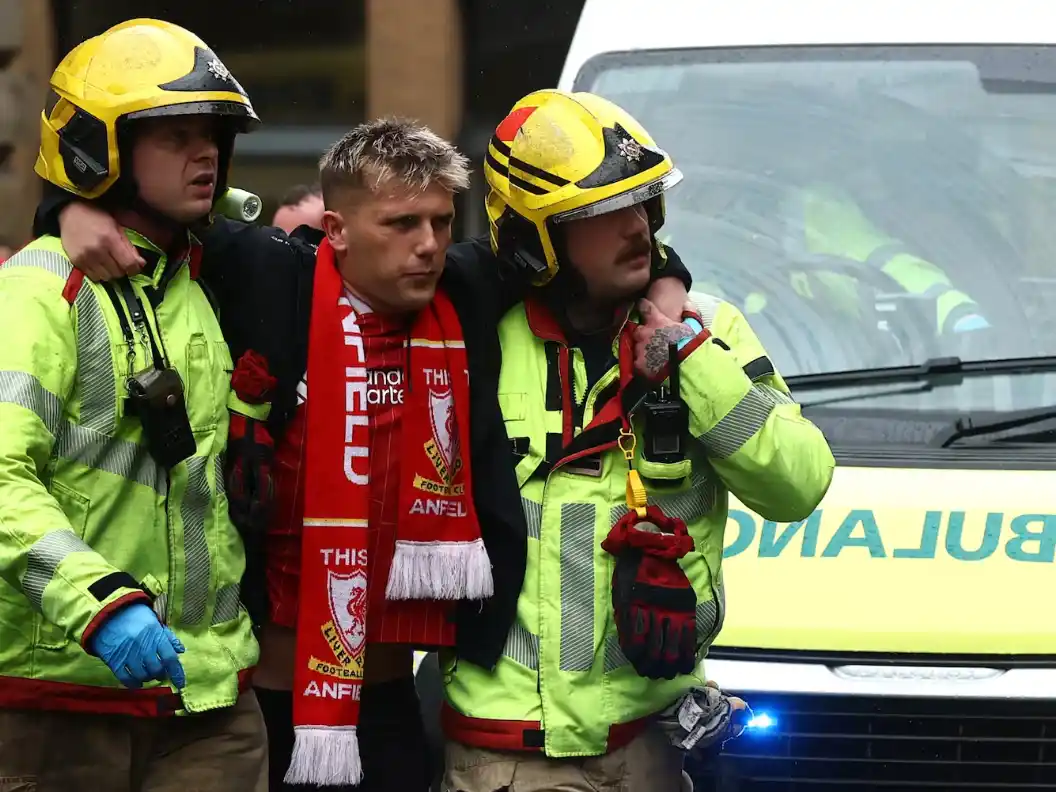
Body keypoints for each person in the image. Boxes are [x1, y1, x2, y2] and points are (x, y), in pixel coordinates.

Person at [46, 120, 696, 789]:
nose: (428, 246)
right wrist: (65, 208)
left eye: (442, 222)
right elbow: (161, 216)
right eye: (401, 224)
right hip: (264, 701)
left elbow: (598, 253)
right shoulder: (272, 276)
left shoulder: (465, 290)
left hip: (390, 700)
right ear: (337, 230)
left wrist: (667, 290)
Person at [438, 89, 836, 792]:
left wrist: (687, 356)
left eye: (644, 204)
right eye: (602, 213)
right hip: (505, 757)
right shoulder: (477, 338)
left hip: (652, 749)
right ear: (539, 238)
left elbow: (799, 483)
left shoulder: (710, 330)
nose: (637, 228)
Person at [0, 19, 266, 791]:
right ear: (97, 149)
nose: (206, 152)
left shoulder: (200, 282)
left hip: (208, 701)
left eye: (213, 133)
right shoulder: (38, 295)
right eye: (174, 134)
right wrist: (101, 606)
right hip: (60, 701)